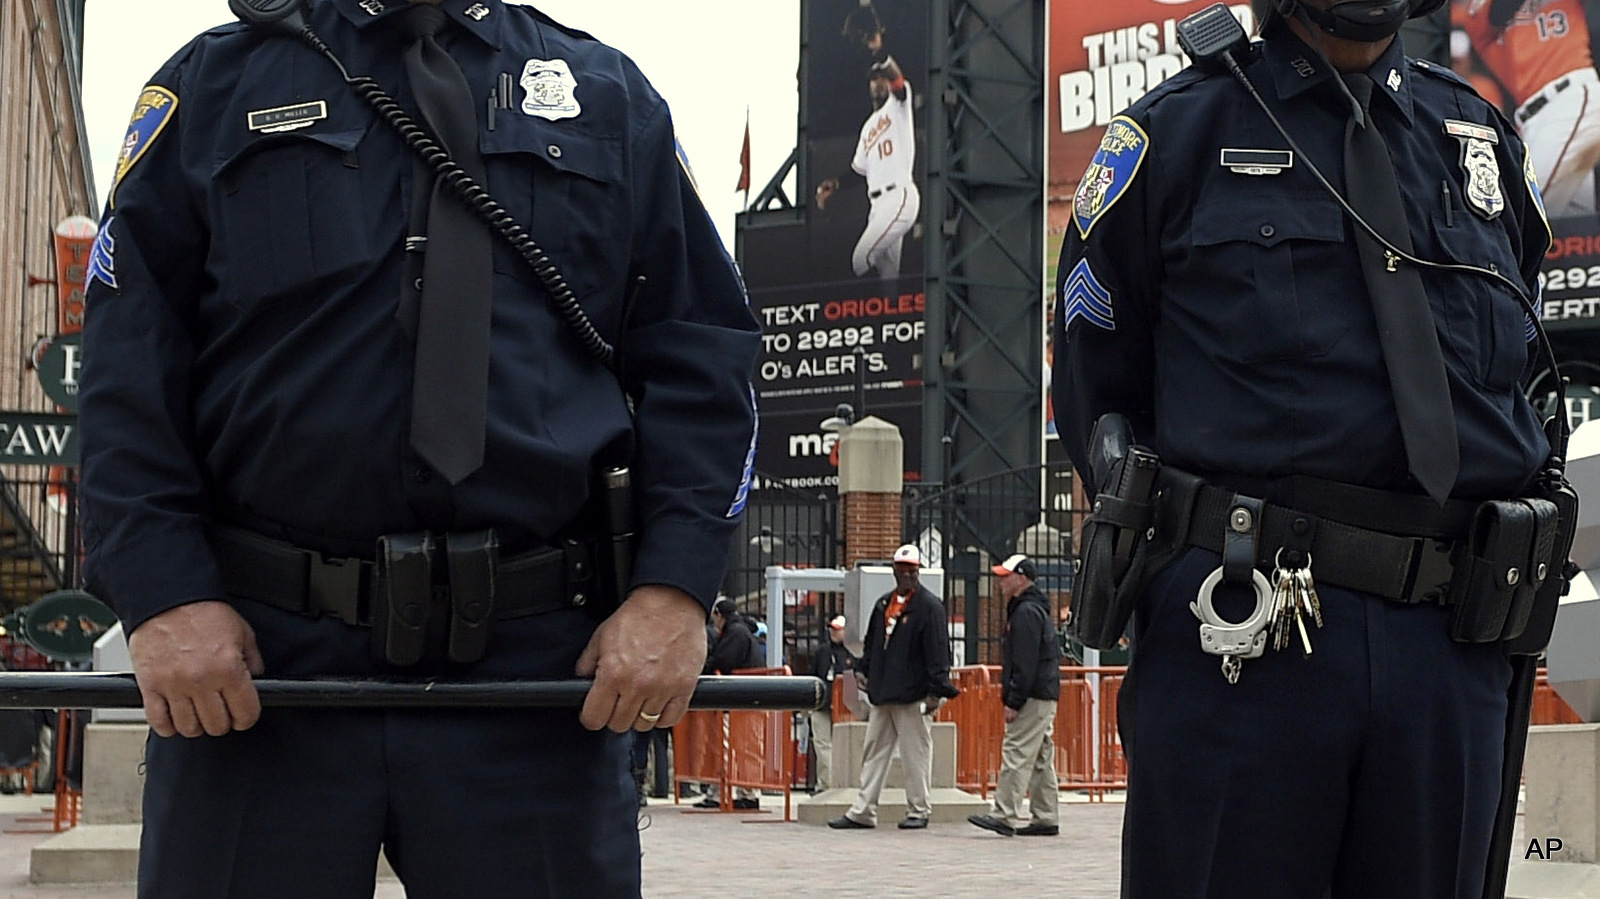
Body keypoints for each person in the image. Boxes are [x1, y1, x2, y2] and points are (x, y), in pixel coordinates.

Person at [77, 1, 761, 896]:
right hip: (259, 671)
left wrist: (675, 591)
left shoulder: (605, 98)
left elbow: (704, 355)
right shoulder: (212, 87)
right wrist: (163, 594)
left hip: (537, 675)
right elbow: (127, 366)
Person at [1055, 0, 1551, 895]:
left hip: (1453, 652)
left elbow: (1519, 367)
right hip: (1244, 644)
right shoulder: (1176, 134)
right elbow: (1099, 391)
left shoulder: (1475, 140)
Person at [828, 544, 959, 830]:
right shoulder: (883, 604)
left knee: (916, 754)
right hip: (885, 690)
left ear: (918, 571)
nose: (907, 576)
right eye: (902, 571)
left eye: (912, 571)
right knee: (874, 751)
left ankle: (919, 809)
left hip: (913, 694)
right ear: (894, 572)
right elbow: (873, 643)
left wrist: (936, 691)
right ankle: (864, 809)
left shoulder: (929, 607)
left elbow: (938, 652)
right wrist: (863, 670)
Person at [1461, 0, 1600, 215]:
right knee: (1567, 229)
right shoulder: (1476, 9)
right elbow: (1499, 11)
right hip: (1539, 122)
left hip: (1571, 99)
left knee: (1524, 214)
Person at [813, 35, 921, 284]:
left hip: (899, 196)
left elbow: (898, 80)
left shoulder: (897, 106)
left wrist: (881, 55)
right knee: (888, 276)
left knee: (860, 259)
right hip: (877, 206)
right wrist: (836, 184)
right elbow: (858, 172)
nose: (878, 83)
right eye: (873, 79)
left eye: (881, 78)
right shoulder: (867, 128)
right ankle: (891, 315)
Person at [968, 554, 1060, 838]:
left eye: (1006, 575)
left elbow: (1024, 661)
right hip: (1043, 693)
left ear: (1022, 578)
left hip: (1032, 695)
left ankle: (1004, 813)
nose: (1000, 581)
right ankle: (1046, 816)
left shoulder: (1025, 613)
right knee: (1041, 755)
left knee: (1017, 750)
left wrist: (1014, 700)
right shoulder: (1033, 610)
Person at [695, 598, 764, 810]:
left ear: (718, 615)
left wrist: (704, 668)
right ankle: (747, 792)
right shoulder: (744, 632)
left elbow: (722, 661)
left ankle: (728, 792)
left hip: (735, 700)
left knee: (725, 747)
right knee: (747, 748)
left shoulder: (735, 634)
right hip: (749, 699)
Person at [807, 614, 858, 790]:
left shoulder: (854, 654)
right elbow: (812, 674)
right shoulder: (823, 651)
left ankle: (837, 783)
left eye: (837, 630)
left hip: (845, 706)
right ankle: (826, 784)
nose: (833, 633)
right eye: (832, 629)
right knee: (822, 745)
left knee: (841, 746)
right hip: (823, 704)